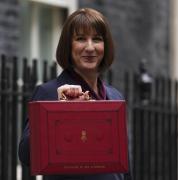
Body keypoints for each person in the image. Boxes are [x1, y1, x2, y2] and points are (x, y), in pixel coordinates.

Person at [18, 8, 132, 180]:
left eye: (97, 39)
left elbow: (124, 166)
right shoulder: (48, 92)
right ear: (68, 46)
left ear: (105, 45)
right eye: (80, 39)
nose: (90, 47)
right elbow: (26, 155)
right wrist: (60, 109)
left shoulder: (115, 96)